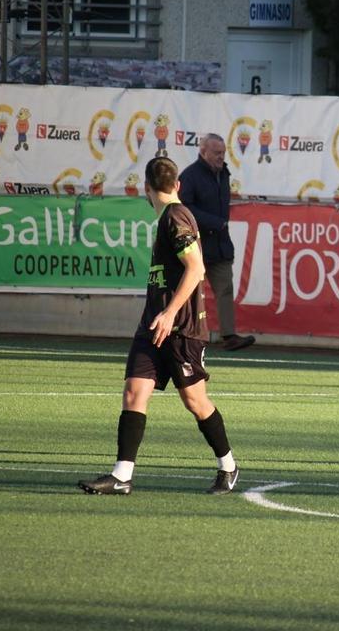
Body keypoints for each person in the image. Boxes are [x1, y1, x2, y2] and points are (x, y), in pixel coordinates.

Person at [78, 156, 240, 495]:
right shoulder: (171, 216)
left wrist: (169, 314)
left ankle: (228, 466)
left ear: (146, 189)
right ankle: (122, 476)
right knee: (134, 392)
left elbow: (196, 269)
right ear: (178, 185)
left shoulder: (176, 217)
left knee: (195, 402)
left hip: (180, 328)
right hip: (154, 326)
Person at [179, 134, 255, 352]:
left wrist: (220, 227)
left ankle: (228, 336)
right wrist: (214, 222)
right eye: (217, 153)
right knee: (189, 291)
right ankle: (184, 333)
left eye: (223, 152)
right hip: (197, 244)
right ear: (203, 151)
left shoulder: (224, 173)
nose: (221, 157)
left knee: (225, 289)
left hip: (221, 244)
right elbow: (185, 208)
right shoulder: (190, 176)